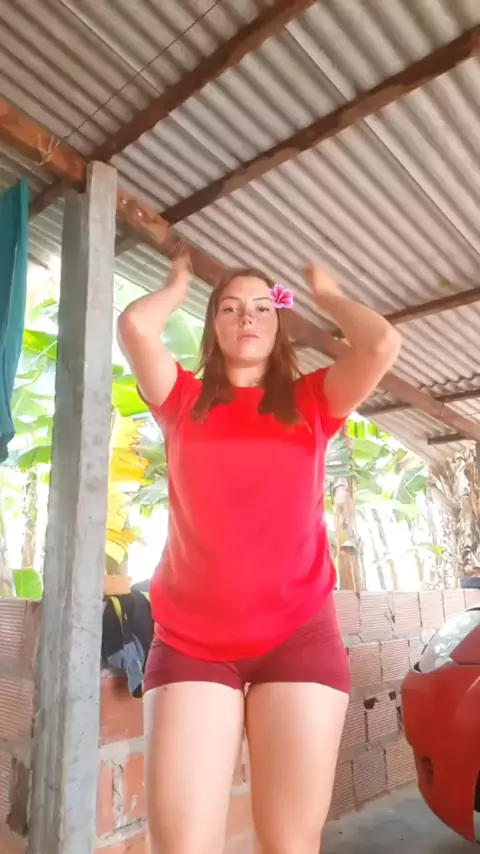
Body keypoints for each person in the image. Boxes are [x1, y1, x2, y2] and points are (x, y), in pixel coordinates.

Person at [118, 256, 401, 854]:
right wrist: (177, 285)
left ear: (278, 325)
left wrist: (326, 294)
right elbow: (137, 327)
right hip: (191, 643)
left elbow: (379, 344)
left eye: (261, 308)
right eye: (230, 308)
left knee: (289, 845)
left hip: (298, 638)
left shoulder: (312, 400)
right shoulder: (181, 398)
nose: (246, 317)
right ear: (213, 327)